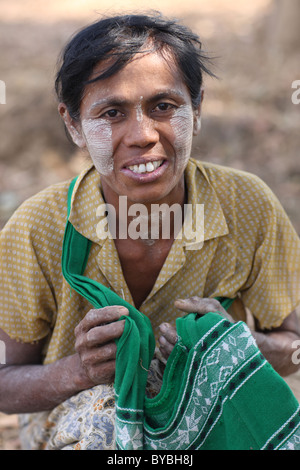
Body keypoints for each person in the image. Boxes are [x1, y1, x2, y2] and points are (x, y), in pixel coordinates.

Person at [0, 13, 300, 450]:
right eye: (112, 113)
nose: (142, 135)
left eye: (164, 106)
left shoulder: (247, 205)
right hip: (80, 423)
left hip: (210, 417)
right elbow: (5, 382)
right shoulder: (39, 226)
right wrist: (79, 372)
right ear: (73, 125)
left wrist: (234, 345)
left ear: (196, 110)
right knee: (105, 416)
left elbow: (293, 347)